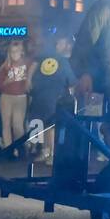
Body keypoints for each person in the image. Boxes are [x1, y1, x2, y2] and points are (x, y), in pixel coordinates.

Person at [30, 35, 74, 165]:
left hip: (53, 96)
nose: (62, 46)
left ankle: (51, 154)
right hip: (43, 95)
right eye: (61, 43)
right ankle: (47, 152)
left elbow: (70, 82)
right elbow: (71, 82)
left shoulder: (60, 60)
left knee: (50, 125)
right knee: (46, 125)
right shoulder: (54, 58)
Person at [0, 38, 33, 157]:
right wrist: (7, 81)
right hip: (6, 97)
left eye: (16, 52)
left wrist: (28, 79)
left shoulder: (28, 63)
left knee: (18, 125)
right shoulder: (5, 66)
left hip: (21, 97)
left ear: (21, 52)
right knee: (6, 124)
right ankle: (9, 150)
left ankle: (20, 147)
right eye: (12, 52)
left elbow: (35, 66)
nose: (14, 55)